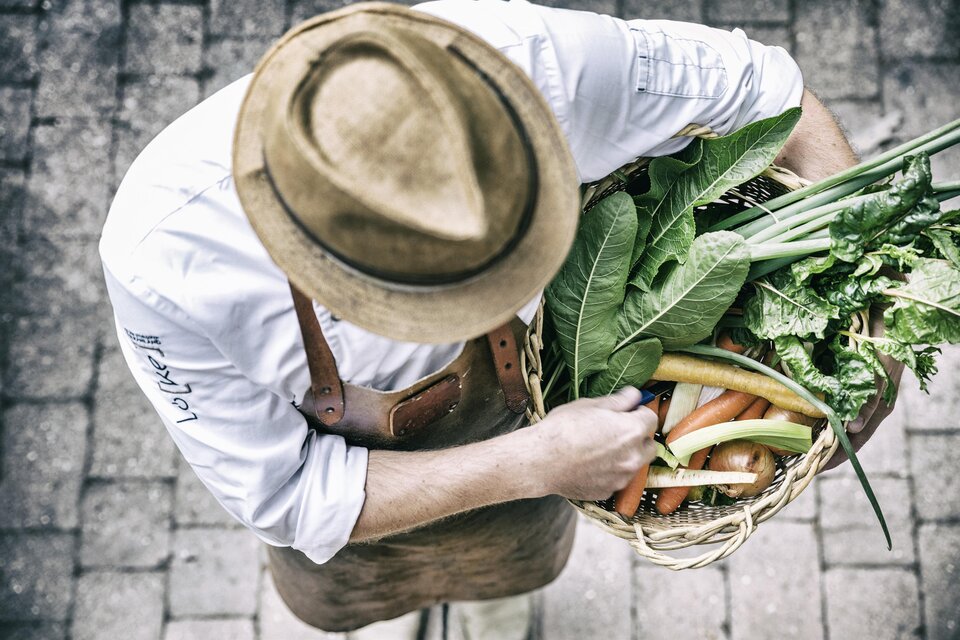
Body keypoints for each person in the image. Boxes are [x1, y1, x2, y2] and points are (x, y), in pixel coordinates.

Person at [100, 0, 895, 636]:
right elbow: (291, 495)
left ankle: (494, 618)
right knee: (357, 601)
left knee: (508, 582)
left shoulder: (533, 57)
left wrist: (880, 311)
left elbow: (765, 93)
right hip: (374, 510)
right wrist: (535, 463)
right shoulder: (163, 261)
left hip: (545, 449)